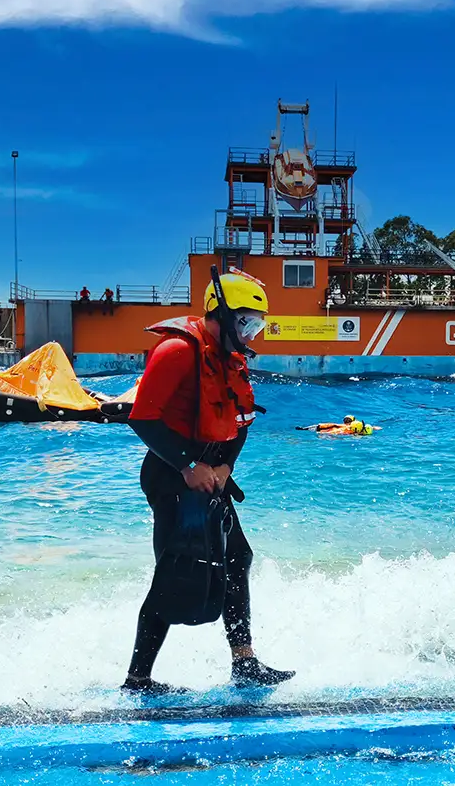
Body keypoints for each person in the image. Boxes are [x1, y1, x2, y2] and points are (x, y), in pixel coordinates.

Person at [122, 269, 293, 696]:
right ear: (219, 314)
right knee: (174, 571)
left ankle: (245, 662)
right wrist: (187, 466)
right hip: (171, 471)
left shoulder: (230, 360)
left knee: (238, 558)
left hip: (211, 473)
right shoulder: (178, 351)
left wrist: (225, 468)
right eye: (246, 323)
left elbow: (242, 422)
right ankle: (137, 680)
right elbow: (142, 419)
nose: (251, 334)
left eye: (257, 326)